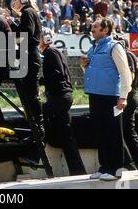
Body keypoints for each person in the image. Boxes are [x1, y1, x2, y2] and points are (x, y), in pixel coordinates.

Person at [80, 17, 132, 181]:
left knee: (114, 133)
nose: (92, 28)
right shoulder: (92, 48)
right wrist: (84, 66)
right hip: (95, 96)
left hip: (112, 98)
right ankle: (104, 167)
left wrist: (123, 96)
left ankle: (116, 169)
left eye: (95, 27)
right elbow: (92, 72)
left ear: (105, 30)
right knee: (100, 133)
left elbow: (125, 73)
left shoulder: (115, 47)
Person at [40, 28, 86, 175]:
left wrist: (38, 80)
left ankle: (34, 159)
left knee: (36, 115)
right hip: (64, 97)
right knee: (67, 137)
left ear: (46, 38)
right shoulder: (55, 52)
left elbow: (56, 75)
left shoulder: (50, 53)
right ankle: (78, 171)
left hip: (60, 97)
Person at [7, 0, 45, 139]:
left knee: (31, 95)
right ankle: (36, 127)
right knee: (30, 94)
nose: (14, 3)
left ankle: (38, 128)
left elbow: (25, 35)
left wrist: (12, 24)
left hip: (29, 57)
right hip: (29, 56)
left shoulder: (28, 12)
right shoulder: (30, 13)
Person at [114, 35, 138, 170]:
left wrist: (123, 94)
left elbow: (130, 77)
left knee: (119, 130)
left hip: (127, 96)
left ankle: (130, 164)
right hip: (133, 96)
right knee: (130, 132)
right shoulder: (135, 56)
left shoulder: (125, 55)